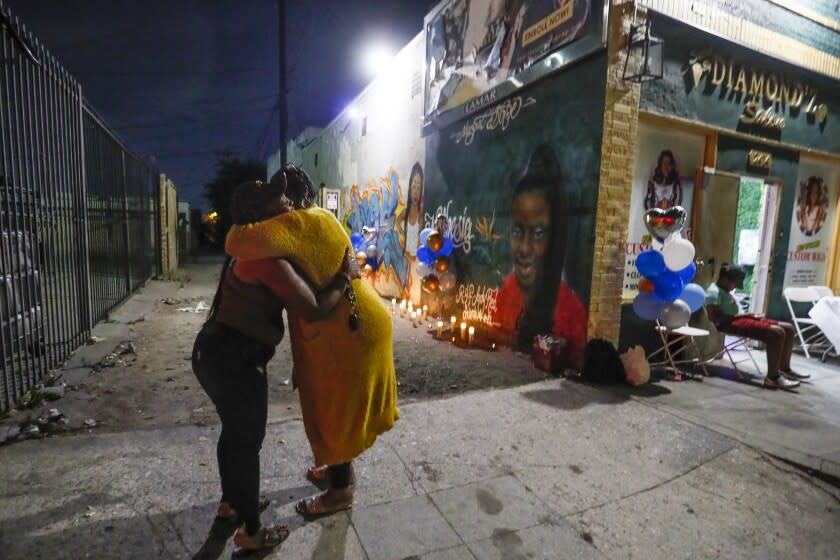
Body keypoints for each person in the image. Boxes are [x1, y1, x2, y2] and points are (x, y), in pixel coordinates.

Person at [226, 164, 400, 520]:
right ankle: (338, 469)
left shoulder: (286, 229)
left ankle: (340, 492)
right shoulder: (321, 216)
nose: (286, 202)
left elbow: (234, 241)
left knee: (332, 409)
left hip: (346, 328)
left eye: (286, 195)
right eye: (279, 198)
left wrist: (252, 216)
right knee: (338, 403)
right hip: (362, 318)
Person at [191, 177, 355, 552]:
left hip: (214, 353)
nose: (287, 200)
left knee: (234, 435)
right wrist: (344, 278)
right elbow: (313, 308)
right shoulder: (265, 259)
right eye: (278, 196)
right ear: (263, 212)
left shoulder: (250, 247)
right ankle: (250, 533)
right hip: (236, 361)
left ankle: (232, 503)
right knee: (246, 442)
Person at [490, 145, 587, 368]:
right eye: (517, 231)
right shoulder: (503, 296)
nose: (524, 248)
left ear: (556, 238)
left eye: (538, 233)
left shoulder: (572, 314)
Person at [704, 264, 810, 390]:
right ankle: (772, 378)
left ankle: (784, 369)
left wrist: (748, 316)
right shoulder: (713, 292)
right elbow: (715, 319)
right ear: (725, 279)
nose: (734, 288)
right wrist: (746, 316)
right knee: (776, 333)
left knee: (789, 328)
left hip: (739, 319)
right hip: (727, 324)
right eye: (733, 284)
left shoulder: (724, 290)